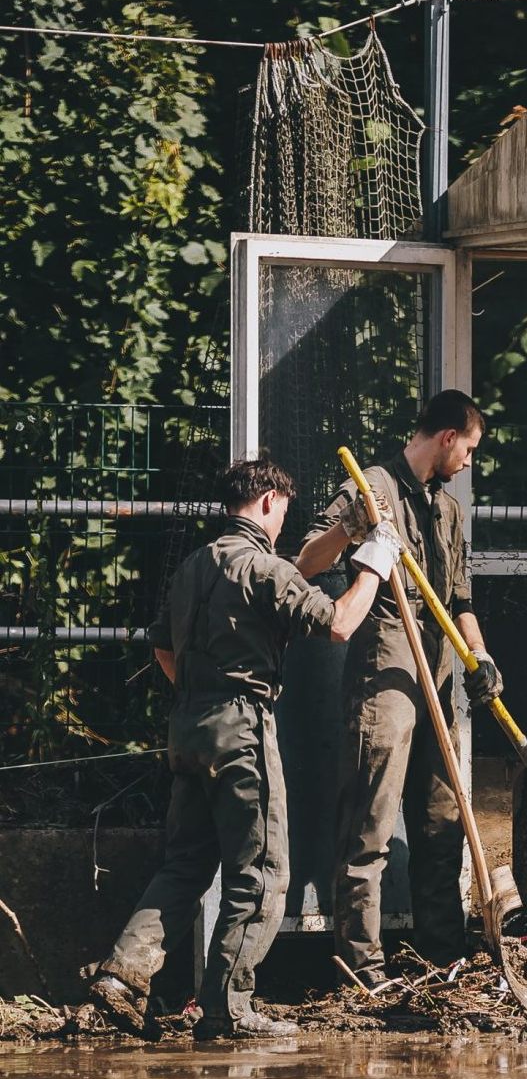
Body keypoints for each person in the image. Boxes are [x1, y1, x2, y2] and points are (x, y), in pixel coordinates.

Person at [87, 457, 398, 1040]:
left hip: (189, 726)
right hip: (242, 730)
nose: (282, 524)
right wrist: (374, 564)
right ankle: (228, 1009)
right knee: (260, 872)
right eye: (283, 512)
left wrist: (203, 695)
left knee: (185, 865)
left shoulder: (192, 566)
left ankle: (123, 975)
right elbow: (338, 623)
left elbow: (162, 647)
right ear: (268, 502)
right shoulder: (263, 566)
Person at [299, 391, 497, 986]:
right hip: (385, 671)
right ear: (447, 437)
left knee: (442, 821)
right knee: (371, 824)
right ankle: (362, 967)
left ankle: (444, 957)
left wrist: (480, 655)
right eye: (469, 450)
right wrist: (350, 527)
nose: (468, 462)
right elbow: (305, 561)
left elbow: (460, 599)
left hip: (440, 673)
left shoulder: (449, 510)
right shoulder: (373, 488)